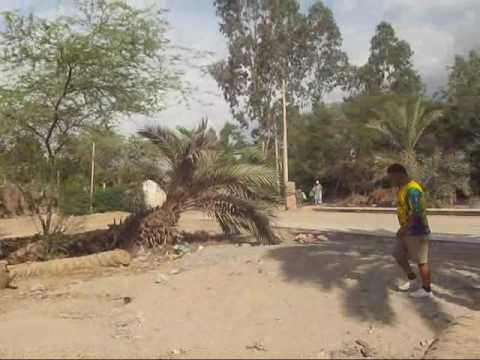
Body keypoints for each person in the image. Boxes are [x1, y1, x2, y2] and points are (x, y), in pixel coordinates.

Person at [387, 164, 433, 298]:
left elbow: (416, 213)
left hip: (417, 231)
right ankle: (412, 278)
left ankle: (427, 290)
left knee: (421, 261)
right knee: (398, 254)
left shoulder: (413, 190)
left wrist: (404, 228)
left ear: (399, 174)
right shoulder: (402, 188)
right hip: (406, 231)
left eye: (392, 177)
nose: (391, 180)